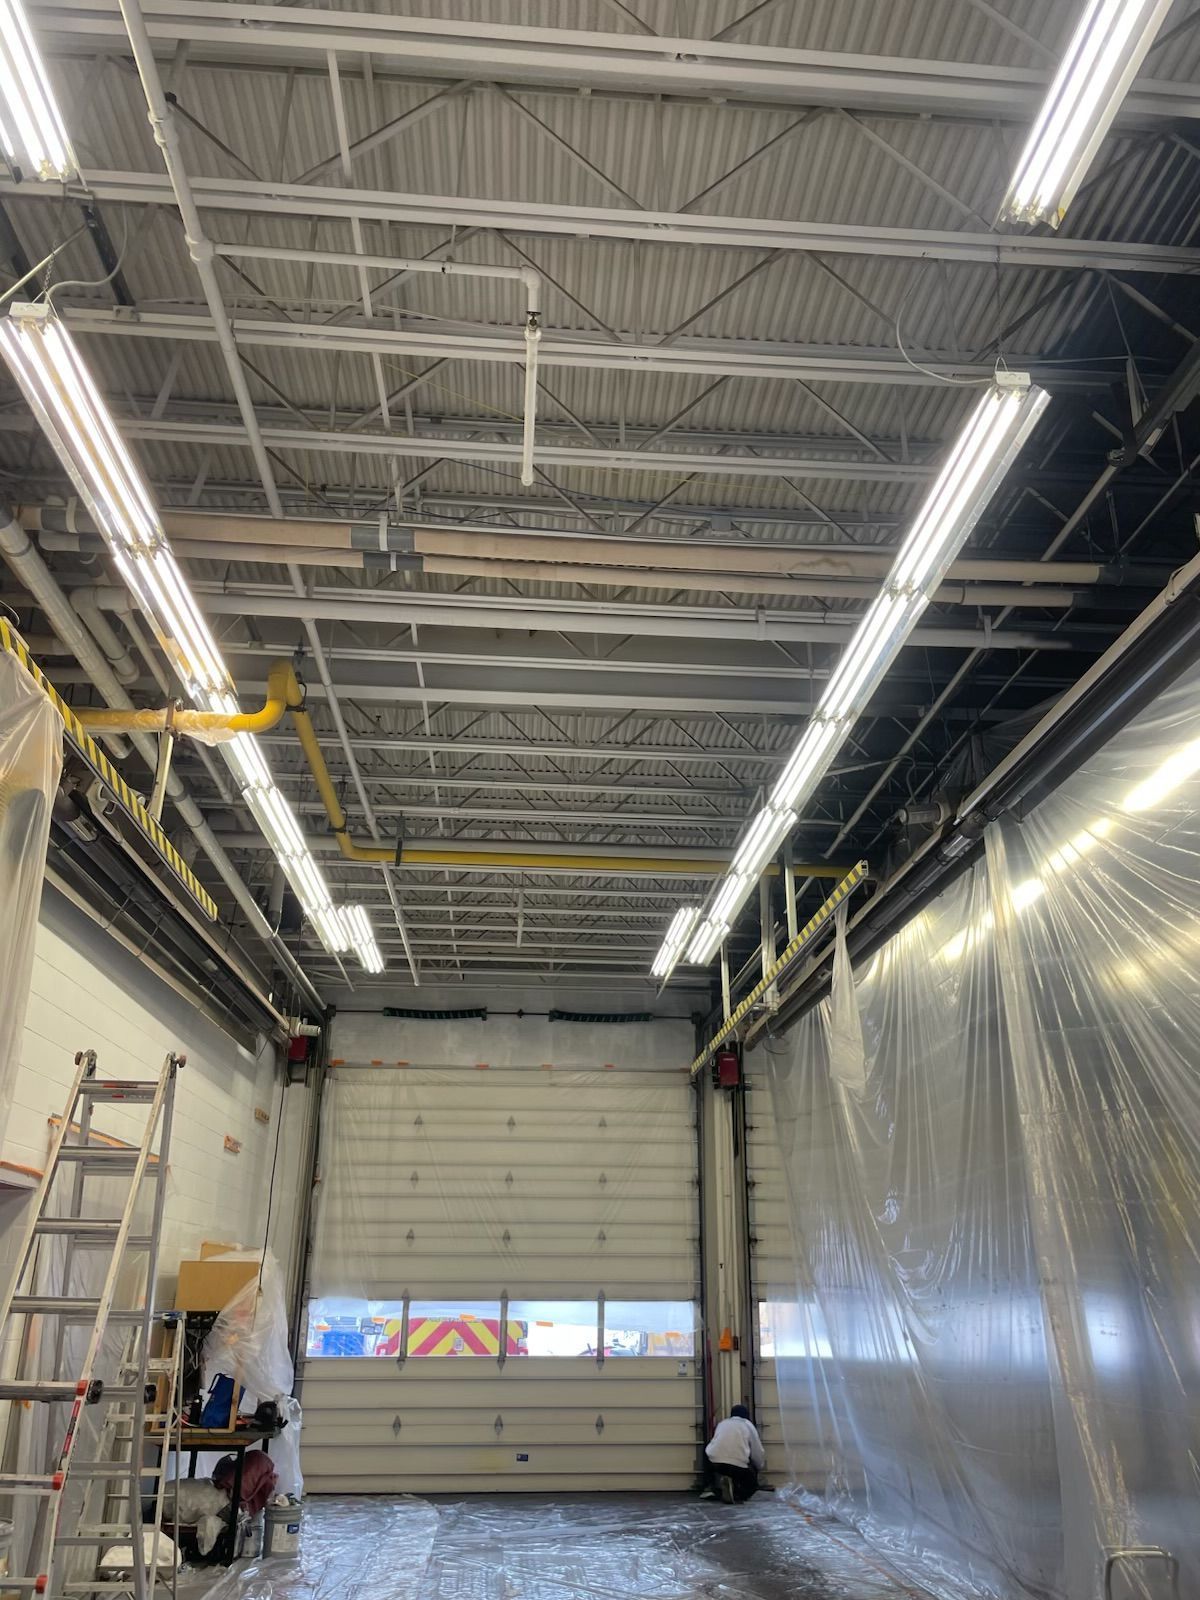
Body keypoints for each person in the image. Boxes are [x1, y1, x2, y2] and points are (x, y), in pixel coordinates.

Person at [703, 1403, 765, 1503]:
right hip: (737, 1466)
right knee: (751, 1485)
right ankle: (737, 1494)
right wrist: (758, 1467)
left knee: (708, 1453)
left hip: (715, 1463)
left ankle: (710, 1488)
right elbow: (757, 1451)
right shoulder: (748, 1425)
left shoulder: (722, 1423)